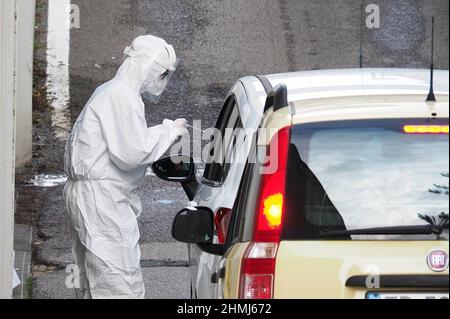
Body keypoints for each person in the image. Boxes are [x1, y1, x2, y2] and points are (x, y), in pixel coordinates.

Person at [63, 35, 188, 299]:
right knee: (118, 283)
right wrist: (167, 133)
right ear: (150, 67)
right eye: (162, 73)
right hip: (102, 201)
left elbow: (127, 140)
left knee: (95, 280)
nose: (162, 80)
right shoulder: (122, 97)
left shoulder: (111, 92)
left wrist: (164, 130)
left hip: (92, 196)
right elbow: (131, 153)